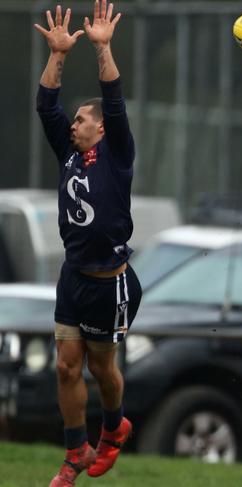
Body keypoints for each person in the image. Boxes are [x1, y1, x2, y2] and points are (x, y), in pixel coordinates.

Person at [34, 1, 142, 485]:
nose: (72, 124)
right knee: (64, 367)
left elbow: (114, 98)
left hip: (109, 283)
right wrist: (58, 54)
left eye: (82, 120)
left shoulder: (117, 152)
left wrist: (102, 47)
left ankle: (113, 426)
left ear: (99, 127)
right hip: (73, 277)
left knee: (101, 369)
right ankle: (75, 450)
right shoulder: (68, 152)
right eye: (74, 120)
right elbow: (45, 104)